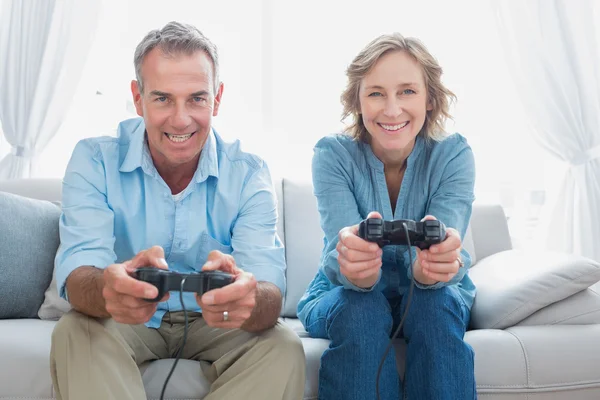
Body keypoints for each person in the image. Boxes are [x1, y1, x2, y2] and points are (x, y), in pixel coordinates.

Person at [49, 21, 306, 400]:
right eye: (163, 98)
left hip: (216, 321)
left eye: (197, 99)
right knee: (76, 330)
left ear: (217, 98)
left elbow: (268, 292)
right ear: (138, 98)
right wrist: (109, 287)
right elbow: (77, 271)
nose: (181, 119)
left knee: (283, 347)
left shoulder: (249, 174)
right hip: (126, 318)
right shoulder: (94, 160)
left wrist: (247, 297)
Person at [297, 33, 477, 400]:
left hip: (433, 295)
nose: (392, 109)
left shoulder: (453, 155)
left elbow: (447, 253)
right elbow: (339, 250)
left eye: (407, 91)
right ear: (358, 101)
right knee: (360, 308)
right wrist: (356, 269)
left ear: (430, 100)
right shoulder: (332, 155)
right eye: (376, 93)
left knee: (435, 305)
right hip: (347, 294)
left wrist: (434, 268)